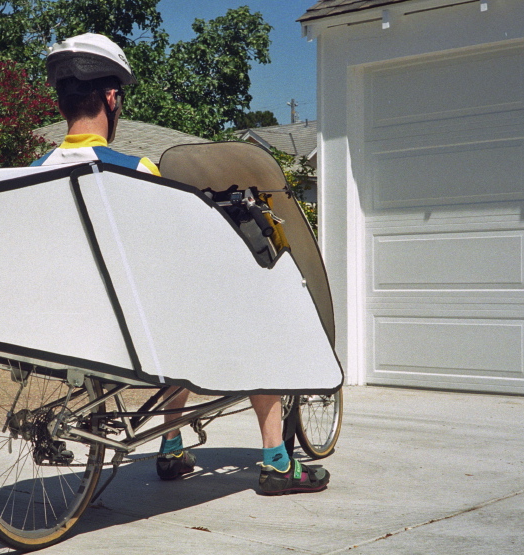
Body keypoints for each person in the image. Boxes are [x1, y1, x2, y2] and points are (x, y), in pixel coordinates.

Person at [34, 33, 329, 495]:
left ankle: (171, 446)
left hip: (70, 322)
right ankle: (276, 462)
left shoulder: (34, 172)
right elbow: (179, 254)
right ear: (111, 98)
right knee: (260, 317)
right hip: (139, 329)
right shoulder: (137, 171)